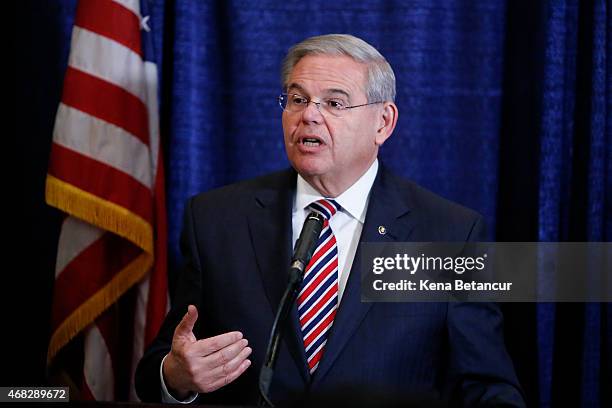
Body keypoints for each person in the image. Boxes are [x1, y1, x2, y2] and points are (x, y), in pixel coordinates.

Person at [135, 34, 525, 407]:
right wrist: (176, 376)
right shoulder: (217, 220)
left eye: (334, 104)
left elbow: (487, 386)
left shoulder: (450, 233)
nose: (308, 116)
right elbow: (160, 366)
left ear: (383, 123)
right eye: (297, 99)